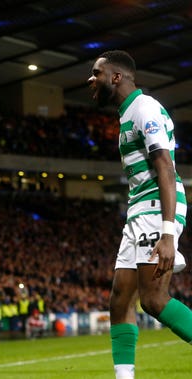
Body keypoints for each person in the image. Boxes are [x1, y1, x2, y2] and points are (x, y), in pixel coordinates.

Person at [88, 50, 192, 379]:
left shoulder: (144, 108)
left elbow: (165, 165)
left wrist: (166, 233)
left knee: (154, 299)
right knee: (120, 299)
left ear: (116, 77)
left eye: (97, 73)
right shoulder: (127, 113)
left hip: (155, 209)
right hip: (138, 212)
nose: (91, 79)